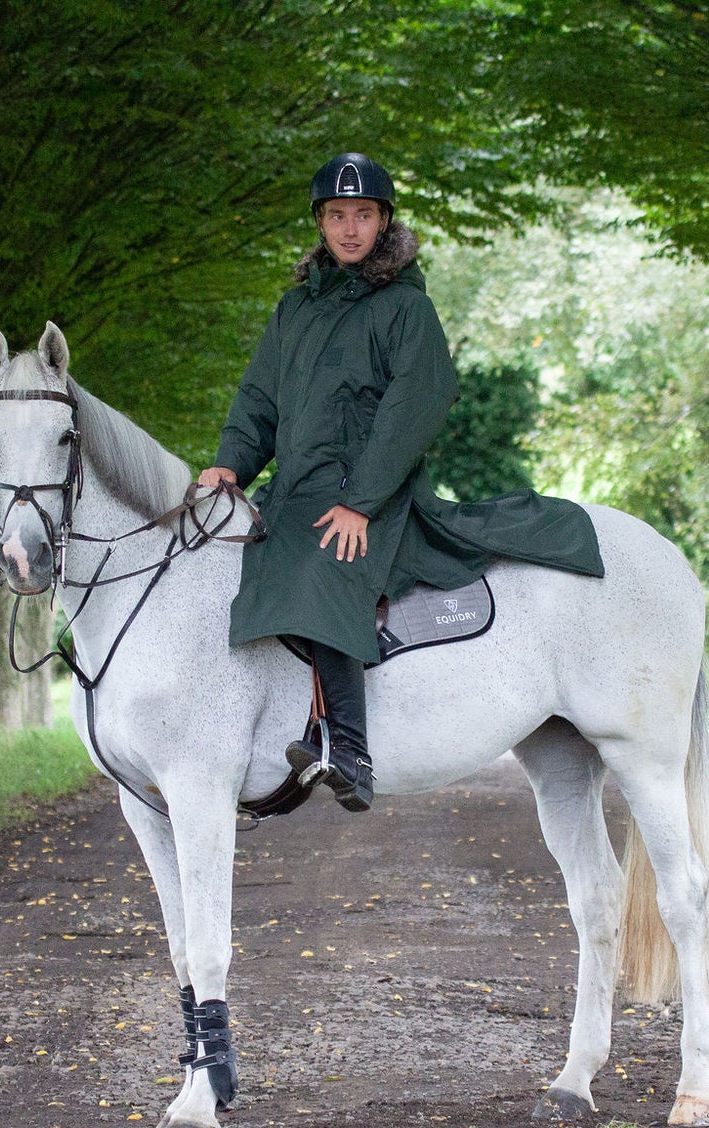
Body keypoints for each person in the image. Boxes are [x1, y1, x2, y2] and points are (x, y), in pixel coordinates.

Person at [200, 152, 605, 812]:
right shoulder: (293, 310)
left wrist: (361, 502)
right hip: (293, 491)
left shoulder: (405, 310)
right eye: (338, 215)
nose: (350, 228)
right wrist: (230, 461)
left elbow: (414, 405)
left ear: (384, 221)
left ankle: (350, 750)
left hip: (374, 499)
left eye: (364, 214)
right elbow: (258, 400)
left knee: (328, 563)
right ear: (321, 223)